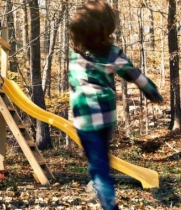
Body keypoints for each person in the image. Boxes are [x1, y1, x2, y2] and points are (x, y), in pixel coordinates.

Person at [68, 1, 163, 210]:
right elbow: (133, 73)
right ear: (106, 27)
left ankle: (108, 201)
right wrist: (151, 91)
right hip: (106, 114)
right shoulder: (111, 52)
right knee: (101, 156)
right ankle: (98, 181)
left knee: (98, 164)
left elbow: (75, 84)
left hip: (84, 117)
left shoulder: (76, 53)